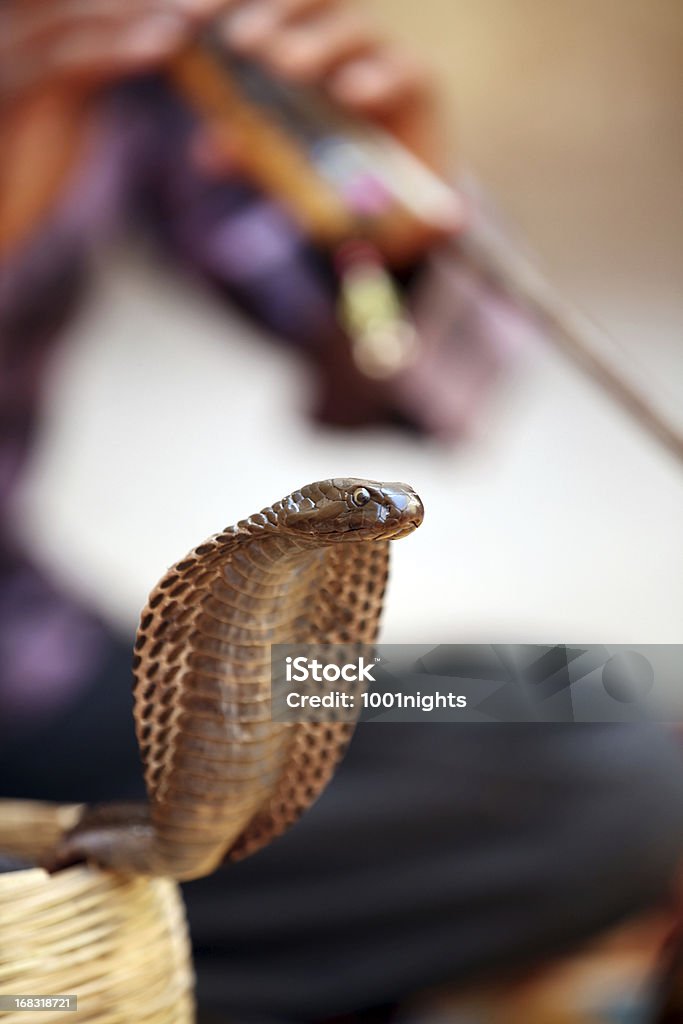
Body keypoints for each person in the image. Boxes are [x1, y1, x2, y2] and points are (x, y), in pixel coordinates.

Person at [2, 4, 683, 1021]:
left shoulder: (134, 74)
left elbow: (386, 357)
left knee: (596, 704)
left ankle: (101, 960)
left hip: (48, 688)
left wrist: (383, 212)